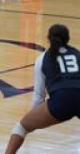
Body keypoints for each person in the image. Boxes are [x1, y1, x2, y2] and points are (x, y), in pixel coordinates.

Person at [5, 24, 80, 154]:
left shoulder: (42, 59)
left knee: (21, 127)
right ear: (68, 39)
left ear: (48, 39)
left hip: (61, 100)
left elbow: (39, 96)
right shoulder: (77, 54)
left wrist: (33, 118)